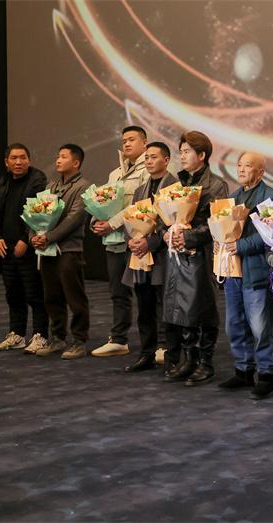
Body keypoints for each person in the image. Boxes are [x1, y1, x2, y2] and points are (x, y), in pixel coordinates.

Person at [159, 131, 228, 386]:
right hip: (178, 254)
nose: (182, 156)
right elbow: (163, 215)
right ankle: (189, 359)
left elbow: (217, 222)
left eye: (187, 151)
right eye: (181, 151)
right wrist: (167, 233)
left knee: (203, 308)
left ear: (202, 155)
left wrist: (187, 237)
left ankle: (206, 363)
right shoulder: (178, 183)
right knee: (182, 308)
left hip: (202, 254)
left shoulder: (216, 184)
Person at [216, 152, 273, 399]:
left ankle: (267, 375)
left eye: (248, 166)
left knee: (260, 326)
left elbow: (271, 235)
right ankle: (243, 370)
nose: (241, 169)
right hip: (233, 271)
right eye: (239, 165)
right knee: (234, 324)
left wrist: (240, 245)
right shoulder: (232, 198)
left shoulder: (271, 197)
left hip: (256, 270)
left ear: (260, 172)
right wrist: (219, 241)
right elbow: (225, 232)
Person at [90, 126, 150, 358]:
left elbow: (140, 205)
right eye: (124, 140)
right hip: (114, 241)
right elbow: (102, 201)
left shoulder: (149, 170)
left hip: (137, 240)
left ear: (144, 143)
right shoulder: (115, 173)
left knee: (146, 293)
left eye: (132, 140)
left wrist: (112, 223)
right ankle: (118, 339)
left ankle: (157, 343)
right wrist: (96, 221)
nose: (126, 144)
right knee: (117, 291)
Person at [30, 144, 92, 359]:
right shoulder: (51, 186)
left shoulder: (83, 187)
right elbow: (35, 213)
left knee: (75, 297)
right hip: (48, 251)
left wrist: (48, 237)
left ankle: (79, 341)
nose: (58, 160)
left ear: (76, 162)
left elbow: (74, 219)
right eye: (58, 156)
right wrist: (33, 236)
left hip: (69, 249)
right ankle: (57, 338)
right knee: (52, 296)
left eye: (63, 157)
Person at [0, 143, 48, 353]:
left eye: (23, 157)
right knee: (13, 295)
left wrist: (25, 239)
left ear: (29, 160)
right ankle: (17, 335)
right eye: (14, 158)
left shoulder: (38, 180)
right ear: (7, 162)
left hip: (29, 248)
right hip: (6, 249)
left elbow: (40, 211)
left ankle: (41, 336)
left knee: (35, 294)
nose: (18, 162)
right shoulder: (3, 182)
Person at [121, 141, 170, 372]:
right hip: (141, 256)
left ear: (166, 160)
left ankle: (168, 350)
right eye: (147, 157)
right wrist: (131, 240)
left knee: (164, 304)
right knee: (144, 304)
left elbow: (172, 224)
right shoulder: (141, 189)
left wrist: (149, 242)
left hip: (163, 255)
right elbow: (131, 218)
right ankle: (147, 352)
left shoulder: (174, 187)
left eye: (154, 157)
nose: (149, 161)